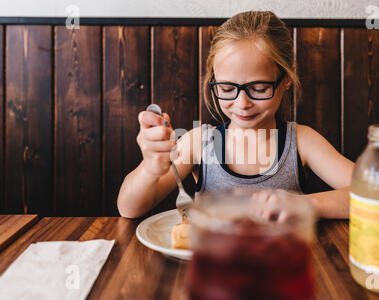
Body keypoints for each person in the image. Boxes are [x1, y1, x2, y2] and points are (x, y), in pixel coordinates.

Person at [117, 11, 354, 220]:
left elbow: (377, 195)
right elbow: (129, 208)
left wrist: (306, 204)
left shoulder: (301, 141)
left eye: (259, 89)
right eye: (227, 89)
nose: (242, 103)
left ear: (285, 82)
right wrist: (149, 169)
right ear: (214, 83)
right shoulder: (199, 142)